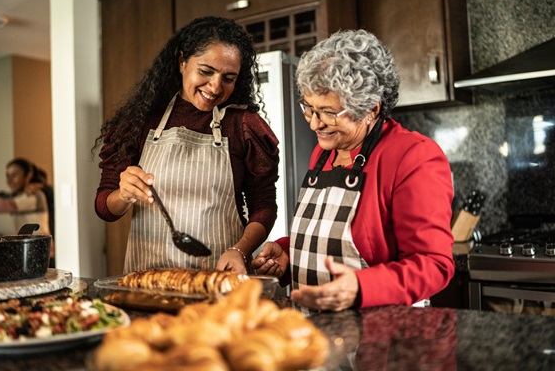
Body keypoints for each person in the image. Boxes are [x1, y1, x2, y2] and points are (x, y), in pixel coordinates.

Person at [251, 29, 455, 311]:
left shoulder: (413, 156)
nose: (314, 124)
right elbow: (325, 238)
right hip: (318, 332)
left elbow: (434, 264)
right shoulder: (323, 153)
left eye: (329, 112)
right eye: (309, 108)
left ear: (371, 108)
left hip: (383, 338)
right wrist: (287, 254)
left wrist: (361, 287)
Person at [94, 16, 280, 274]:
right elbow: (105, 207)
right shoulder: (142, 120)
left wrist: (240, 250)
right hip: (149, 279)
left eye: (228, 77)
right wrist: (124, 195)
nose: (215, 87)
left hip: (220, 275)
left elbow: (264, 205)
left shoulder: (244, 125)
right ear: (182, 61)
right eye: (205, 71)